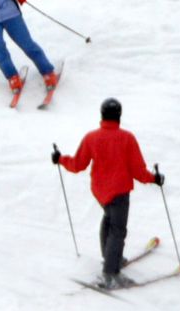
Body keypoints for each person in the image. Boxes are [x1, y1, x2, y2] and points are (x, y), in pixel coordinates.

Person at [51, 98, 164, 289]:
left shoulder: (92, 137)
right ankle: (110, 272)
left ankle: (111, 258)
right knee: (117, 230)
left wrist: (60, 159)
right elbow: (138, 170)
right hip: (119, 190)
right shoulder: (127, 138)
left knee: (109, 219)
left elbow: (78, 164)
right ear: (119, 116)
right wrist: (154, 179)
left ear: (102, 115)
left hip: (100, 190)